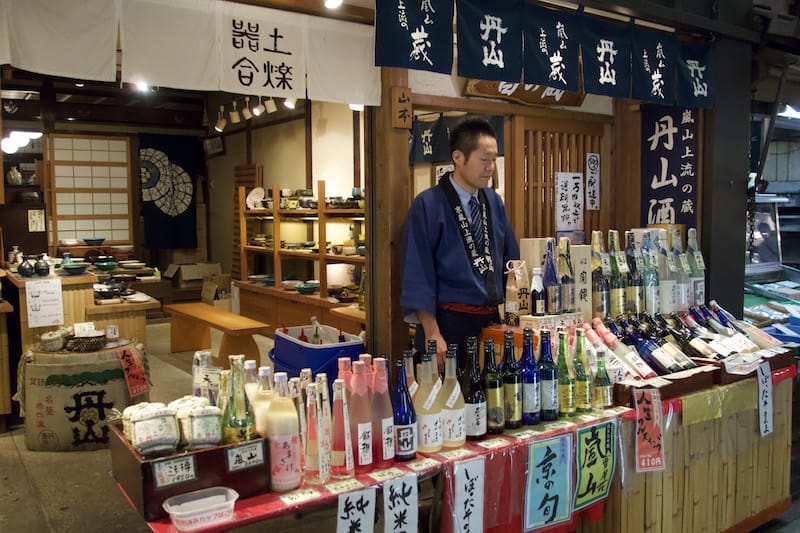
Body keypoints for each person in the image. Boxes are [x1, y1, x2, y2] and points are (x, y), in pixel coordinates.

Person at [401, 117, 520, 371]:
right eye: (484, 159)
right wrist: (432, 332)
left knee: (491, 405)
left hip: (491, 325)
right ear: (458, 157)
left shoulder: (494, 203)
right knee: (448, 405)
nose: (491, 167)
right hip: (447, 327)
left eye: (494, 159)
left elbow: (512, 265)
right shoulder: (428, 204)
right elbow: (418, 273)